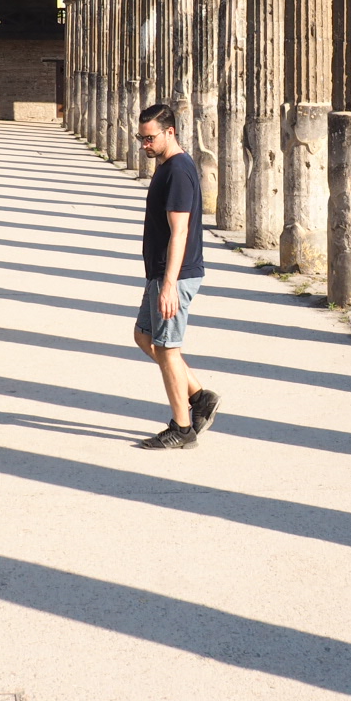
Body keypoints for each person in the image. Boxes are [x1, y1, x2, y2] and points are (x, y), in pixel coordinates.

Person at [131, 103, 219, 449]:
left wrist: (168, 285)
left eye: (149, 138)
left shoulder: (179, 170)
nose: (144, 145)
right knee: (143, 336)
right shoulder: (167, 167)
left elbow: (179, 232)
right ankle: (199, 396)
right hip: (159, 274)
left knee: (167, 348)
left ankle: (182, 428)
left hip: (175, 277)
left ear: (170, 132)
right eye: (141, 138)